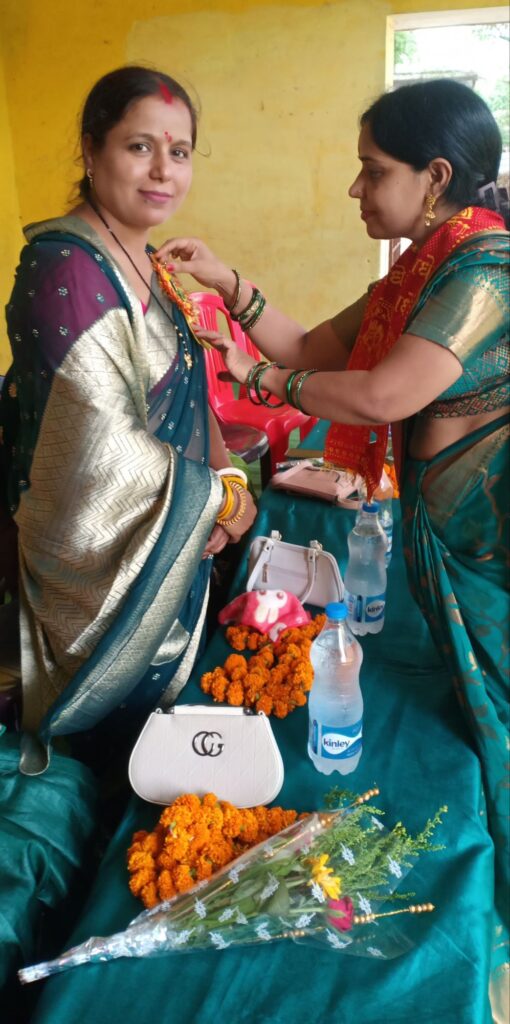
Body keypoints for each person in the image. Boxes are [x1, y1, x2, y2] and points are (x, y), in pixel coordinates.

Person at [155, 79, 509, 980]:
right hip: (440, 530)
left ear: (435, 177)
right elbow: (315, 349)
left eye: (372, 170)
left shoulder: (486, 269)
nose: (356, 188)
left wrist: (262, 384)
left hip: (486, 543)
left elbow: (385, 394)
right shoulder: (419, 271)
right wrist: (227, 284)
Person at [0, 65, 256, 777]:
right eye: (139, 146)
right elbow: (103, 447)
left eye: (180, 152)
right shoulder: (65, 270)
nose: (163, 171)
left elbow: (192, 391)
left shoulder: (151, 263)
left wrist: (231, 479)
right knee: (116, 773)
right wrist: (220, 502)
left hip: (167, 545)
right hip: (98, 576)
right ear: (91, 149)